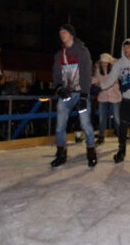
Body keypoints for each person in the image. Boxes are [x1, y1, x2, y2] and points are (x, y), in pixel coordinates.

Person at [51, 24, 97, 168]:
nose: (62, 34)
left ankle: (91, 152)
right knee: (60, 125)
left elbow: (86, 74)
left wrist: (84, 95)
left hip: (80, 94)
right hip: (66, 96)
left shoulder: (82, 52)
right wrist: (59, 88)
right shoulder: (59, 55)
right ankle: (61, 153)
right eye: (60, 32)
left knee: (85, 124)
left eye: (64, 32)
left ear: (71, 34)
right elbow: (56, 76)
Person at [91, 53, 121, 146]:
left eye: (106, 62)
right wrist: (93, 83)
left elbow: (114, 80)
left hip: (114, 96)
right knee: (102, 118)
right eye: (102, 62)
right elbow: (95, 79)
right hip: (103, 96)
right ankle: (101, 137)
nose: (104, 64)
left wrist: (102, 85)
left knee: (116, 118)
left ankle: (120, 136)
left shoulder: (114, 69)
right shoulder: (98, 69)